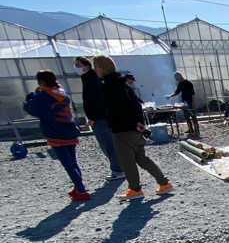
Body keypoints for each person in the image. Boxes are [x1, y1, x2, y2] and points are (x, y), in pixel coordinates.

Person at [93, 54, 173, 199]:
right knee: (142, 158)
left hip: (122, 129)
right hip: (135, 128)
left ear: (100, 68)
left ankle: (135, 189)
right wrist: (140, 126)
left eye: (95, 67)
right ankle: (164, 183)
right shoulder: (123, 84)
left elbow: (111, 109)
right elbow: (135, 106)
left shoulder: (108, 86)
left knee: (127, 161)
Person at [23, 70, 91, 201]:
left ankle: (81, 189)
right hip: (69, 130)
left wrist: (31, 97)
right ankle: (78, 186)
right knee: (73, 162)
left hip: (55, 133)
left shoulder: (44, 96)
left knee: (68, 164)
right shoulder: (60, 91)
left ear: (42, 82)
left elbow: (30, 108)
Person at [75, 56, 123, 179]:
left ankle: (119, 170)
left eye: (78, 64)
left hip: (100, 117)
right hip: (100, 117)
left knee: (107, 144)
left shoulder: (92, 79)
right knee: (109, 144)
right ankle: (120, 168)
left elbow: (95, 100)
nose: (77, 67)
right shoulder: (90, 78)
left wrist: (93, 117)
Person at [169, 71, 200, 138]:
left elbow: (193, 94)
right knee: (187, 117)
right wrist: (170, 96)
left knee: (193, 117)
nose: (177, 80)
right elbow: (177, 92)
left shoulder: (188, 83)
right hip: (184, 103)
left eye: (177, 78)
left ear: (180, 76)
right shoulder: (180, 84)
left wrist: (193, 103)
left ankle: (197, 131)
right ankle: (190, 129)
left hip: (190, 102)